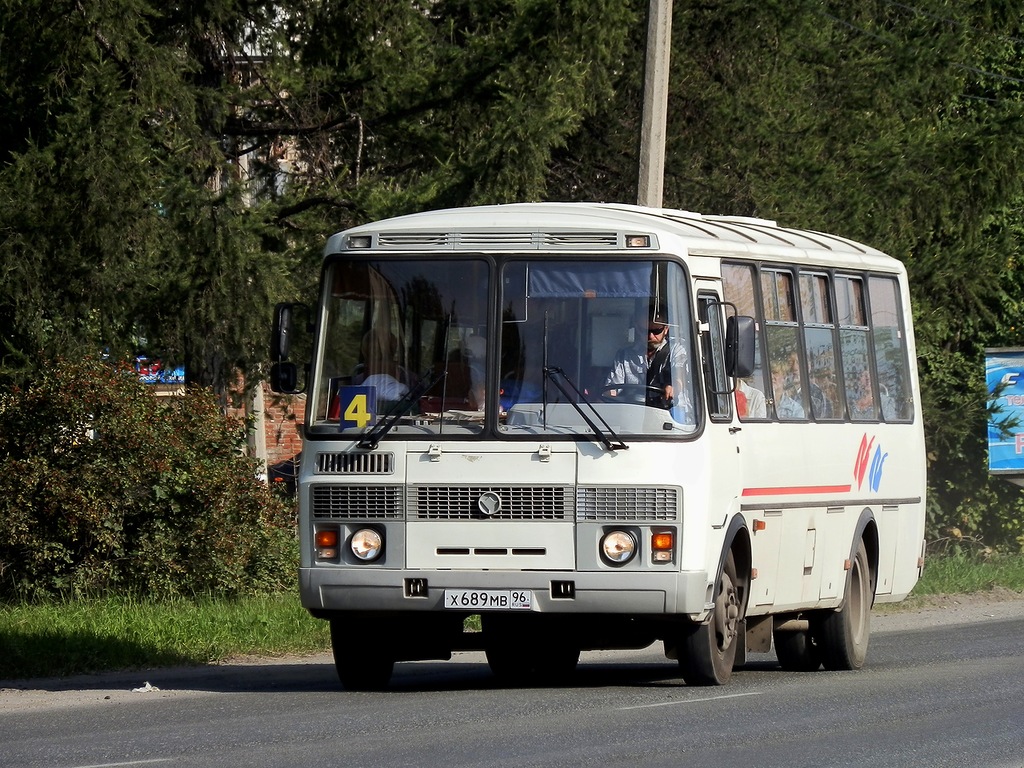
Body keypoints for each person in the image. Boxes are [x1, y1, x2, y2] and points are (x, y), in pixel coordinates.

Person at [604, 309, 689, 412]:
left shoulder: (677, 350)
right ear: (637, 328)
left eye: (657, 331)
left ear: (666, 329)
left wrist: (673, 387)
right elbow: (612, 389)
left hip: (672, 415)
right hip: (633, 415)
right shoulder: (624, 355)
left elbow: (680, 376)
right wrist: (609, 398)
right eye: (645, 331)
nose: (650, 336)